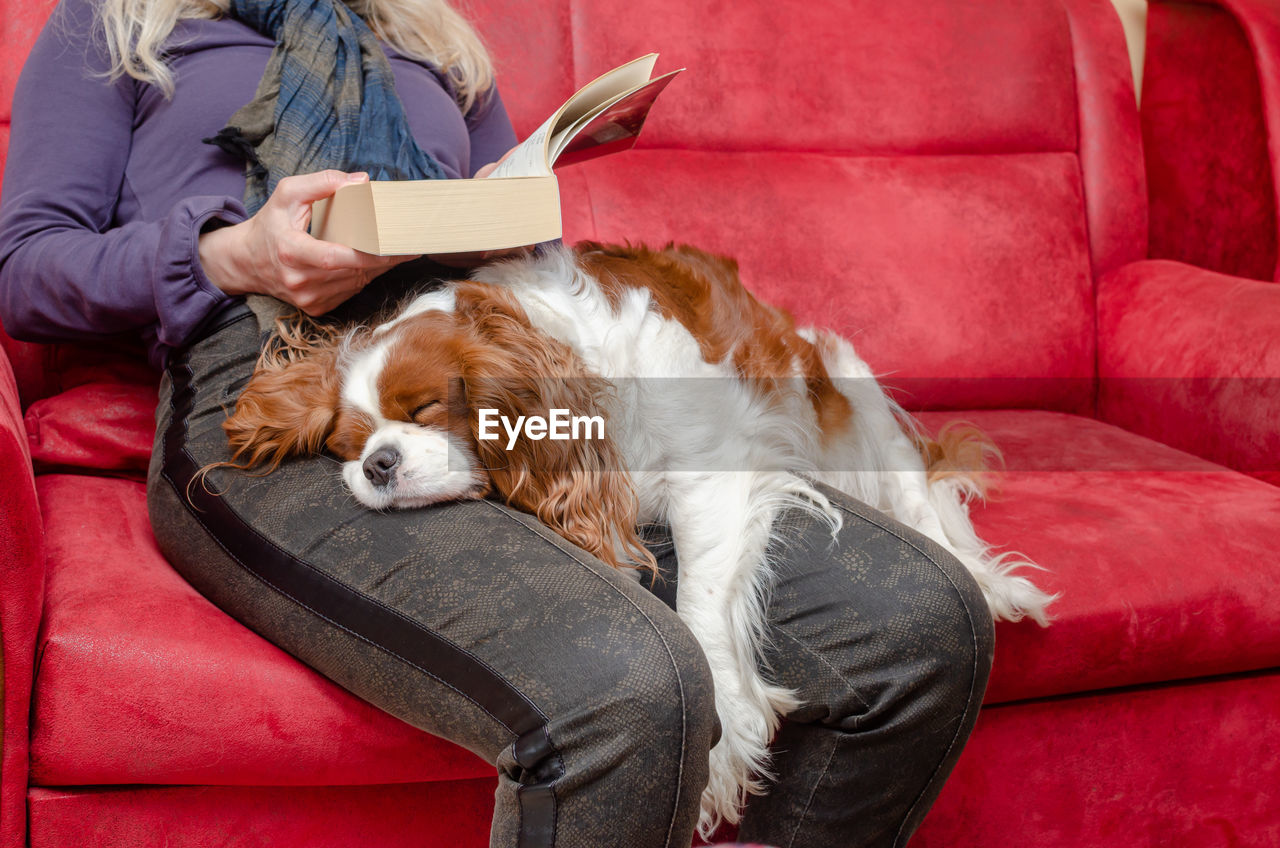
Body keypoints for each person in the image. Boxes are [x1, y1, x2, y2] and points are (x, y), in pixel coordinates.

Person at [0, 0, 995, 845]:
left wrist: (510, 211)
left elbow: (521, 230)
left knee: (919, 622)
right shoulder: (117, 25)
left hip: (487, 376)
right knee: (628, 679)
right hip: (276, 389)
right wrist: (231, 254)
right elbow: (23, 265)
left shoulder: (427, 36)